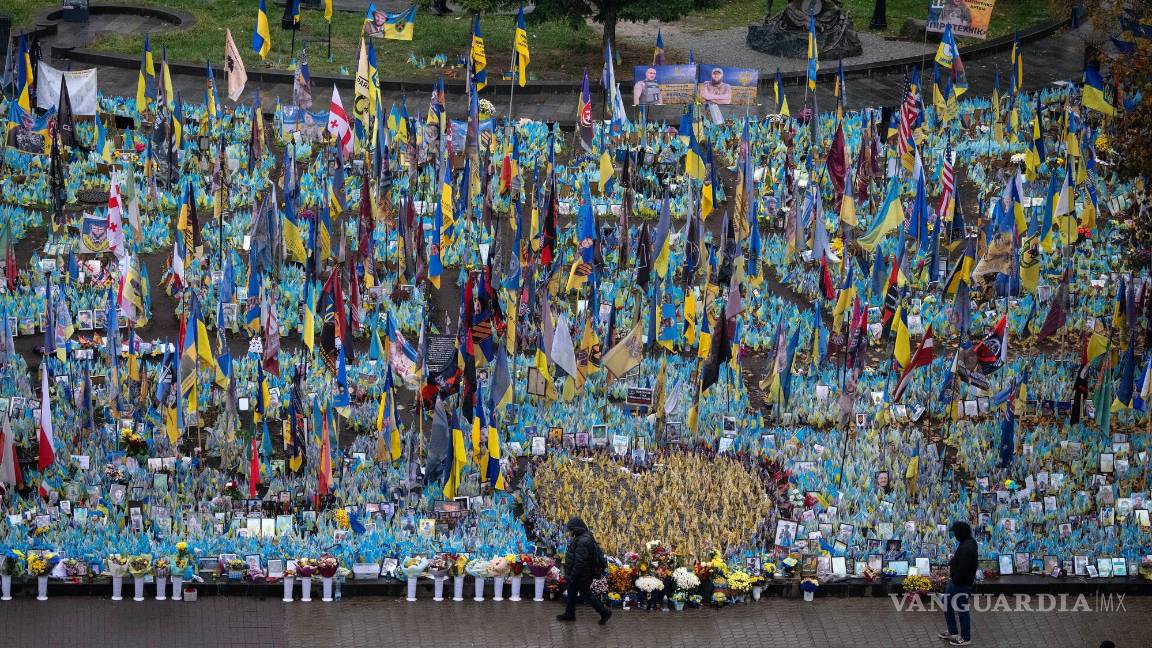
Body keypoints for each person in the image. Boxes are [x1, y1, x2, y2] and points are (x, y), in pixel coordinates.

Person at [556, 516, 611, 625]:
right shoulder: (582, 537)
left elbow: (580, 561)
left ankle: (604, 612)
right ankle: (569, 614)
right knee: (571, 592)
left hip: (582, 574)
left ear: (576, 528)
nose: (569, 532)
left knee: (586, 594)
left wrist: (572, 575)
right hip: (580, 573)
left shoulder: (583, 540)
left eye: (571, 529)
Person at [939, 520, 978, 645]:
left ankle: (966, 637)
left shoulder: (968, 547)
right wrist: (953, 561)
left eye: (955, 532)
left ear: (960, 532)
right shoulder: (967, 542)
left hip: (961, 583)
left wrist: (955, 579)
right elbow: (959, 560)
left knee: (962, 609)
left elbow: (964, 568)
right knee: (946, 603)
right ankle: (952, 631)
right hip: (956, 581)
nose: (954, 535)